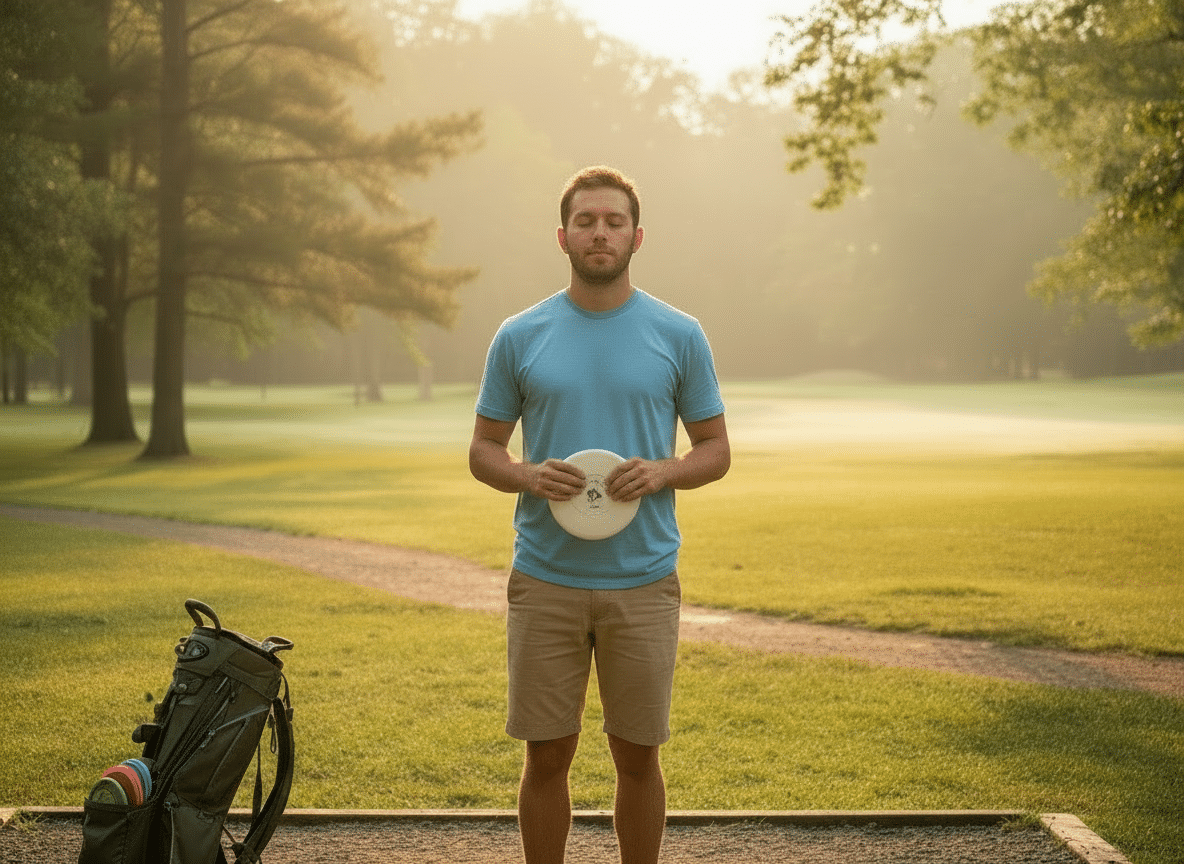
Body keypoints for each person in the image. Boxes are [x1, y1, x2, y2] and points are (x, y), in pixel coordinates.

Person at [468, 165, 730, 864]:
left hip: (643, 579)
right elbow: (484, 450)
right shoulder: (520, 335)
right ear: (563, 236)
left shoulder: (679, 333)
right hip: (545, 578)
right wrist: (527, 475)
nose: (600, 233)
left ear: (637, 236)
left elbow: (716, 450)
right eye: (585, 221)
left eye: (614, 221)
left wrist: (664, 470)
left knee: (637, 757)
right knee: (547, 756)